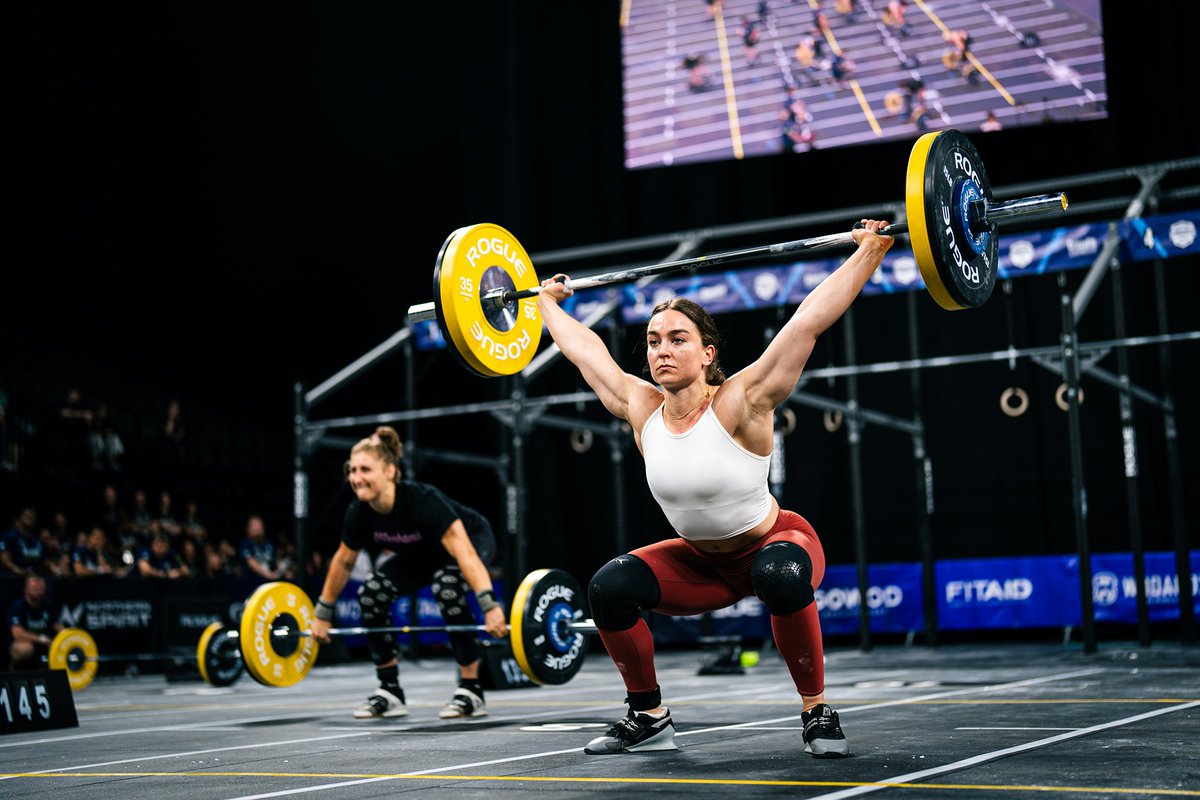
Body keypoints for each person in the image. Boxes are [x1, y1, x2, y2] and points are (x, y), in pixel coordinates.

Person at [535, 220, 895, 756]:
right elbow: (585, 351)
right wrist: (546, 303)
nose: (661, 350)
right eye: (654, 340)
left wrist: (871, 251)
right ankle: (649, 716)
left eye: (678, 339)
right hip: (702, 566)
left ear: (707, 353)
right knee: (610, 587)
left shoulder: (740, 400)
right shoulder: (642, 409)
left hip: (776, 545)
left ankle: (817, 710)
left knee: (778, 574)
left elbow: (807, 324)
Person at [309, 426, 506, 721]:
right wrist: (323, 612)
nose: (356, 478)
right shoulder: (359, 513)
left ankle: (471, 689)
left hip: (471, 539)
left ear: (389, 471)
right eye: (352, 470)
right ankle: (390, 690)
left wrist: (489, 606)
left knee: (447, 586)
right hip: (421, 556)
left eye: (365, 469)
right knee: (371, 594)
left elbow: (464, 552)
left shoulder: (423, 500)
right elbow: (343, 562)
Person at [8, 574, 61, 669]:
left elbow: (57, 625)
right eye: (34, 589)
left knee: (61, 646)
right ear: (26, 590)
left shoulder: (48, 605)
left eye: (40, 588)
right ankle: (13, 671)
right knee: (25, 650)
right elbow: (18, 634)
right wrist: (42, 639)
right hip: (25, 643)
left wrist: (66, 635)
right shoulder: (18, 606)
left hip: (46, 643)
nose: (38, 592)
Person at [1, 507, 45, 576]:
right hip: (13, 580)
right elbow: (4, 559)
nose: (29, 518)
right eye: (26, 516)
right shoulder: (9, 537)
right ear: (20, 518)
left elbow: (44, 561)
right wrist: (17, 569)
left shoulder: (38, 541)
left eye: (32, 517)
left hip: (34, 580)